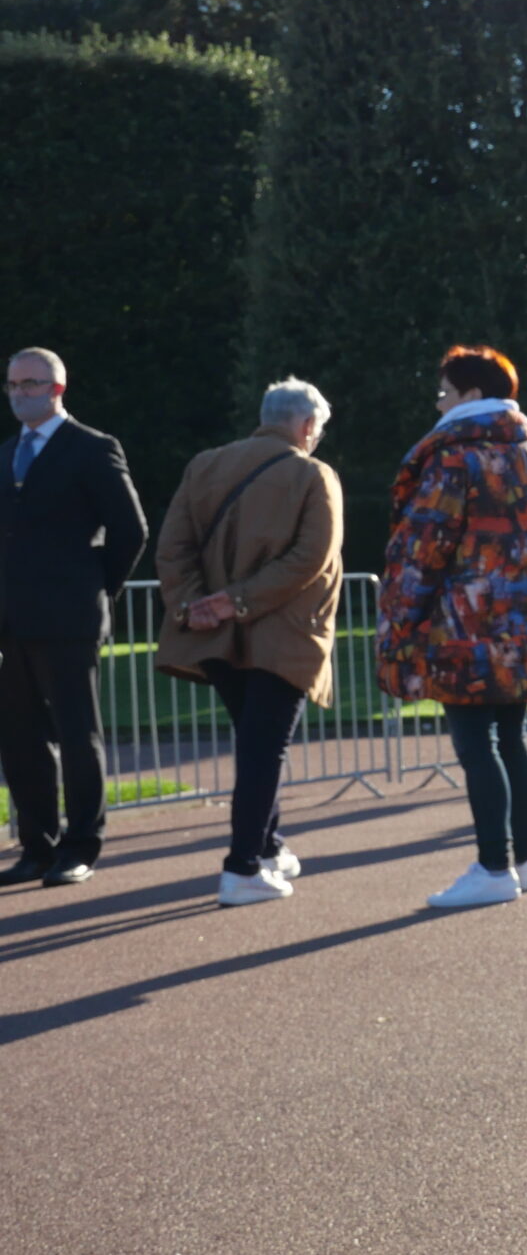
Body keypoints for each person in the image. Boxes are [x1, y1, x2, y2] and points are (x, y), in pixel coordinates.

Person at [377, 345, 527, 908]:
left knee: (476, 747)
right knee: (511, 741)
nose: (437, 401)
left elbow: (422, 549)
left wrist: (402, 626)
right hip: (523, 624)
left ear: (471, 397)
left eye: (444, 391)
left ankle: (492, 866)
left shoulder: (455, 458)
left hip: (465, 628)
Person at [152, 378, 344, 906]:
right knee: (264, 750)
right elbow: (311, 560)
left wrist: (199, 604)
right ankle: (241, 868)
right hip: (283, 635)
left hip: (217, 637)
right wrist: (236, 601)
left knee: (256, 744)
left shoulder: (205, 464)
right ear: (306, 426)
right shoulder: (314, 474)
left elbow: (172, 548)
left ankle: (268, 846)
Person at [0, 347, 148, 888]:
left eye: (31, 384)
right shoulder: (6, 453)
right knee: (18, 740)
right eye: (13, 385)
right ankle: (36, 846)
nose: (20, 393)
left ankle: (81, 846)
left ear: (58, 389)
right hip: (11, 622)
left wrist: (94, 588)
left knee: (76, 734)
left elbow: (130, 531)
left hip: (69, 619)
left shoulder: (92, 448)